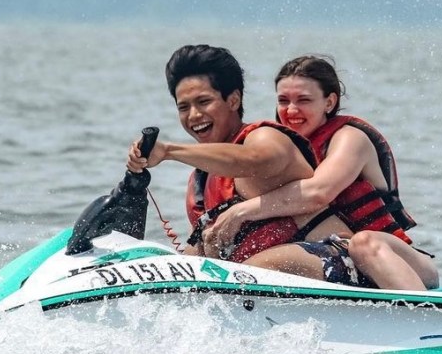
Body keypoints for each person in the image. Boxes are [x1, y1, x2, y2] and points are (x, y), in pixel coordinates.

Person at [204, 55, 439, 290]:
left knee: (362, 241)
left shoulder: (350, 138)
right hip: (344, 262)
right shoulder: (290, 150)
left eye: (303, 100)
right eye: (283, 100)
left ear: (329, 102)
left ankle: (427, 319)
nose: (291, 110)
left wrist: (241, 212)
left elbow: (318, 192)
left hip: (398, 261)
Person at [126, 44, 318, 260]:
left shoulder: (264, 137)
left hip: (334, 262)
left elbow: (252, 161)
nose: (194, 115)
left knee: (259, 265)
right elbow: (197, 253)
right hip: (251, 282)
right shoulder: (201, 178)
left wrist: (169, 151)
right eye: (184, 107)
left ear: (233, 100)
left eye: (204, 102)